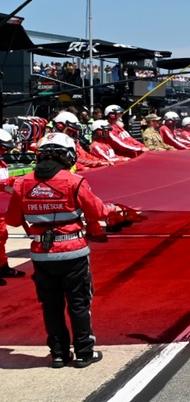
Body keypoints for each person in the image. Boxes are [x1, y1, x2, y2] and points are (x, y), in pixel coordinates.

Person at [4, 132, 122, 368]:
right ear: (67, 155)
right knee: (78, 303)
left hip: (40, 254)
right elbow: (98, 212)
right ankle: (84, 354)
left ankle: (58, 354)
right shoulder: (74, 181)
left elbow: (14, 220)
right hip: (73, 252)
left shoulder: (22, 183)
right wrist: (113, 208)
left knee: (51, 305)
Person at [0, 129, 27, 285]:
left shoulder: (2, 163)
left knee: (2, 237)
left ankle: (2, 266)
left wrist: (18, 181)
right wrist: (5, 187)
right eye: (2, 147)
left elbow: (6, 180)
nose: (5, 150)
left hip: (2, 208)